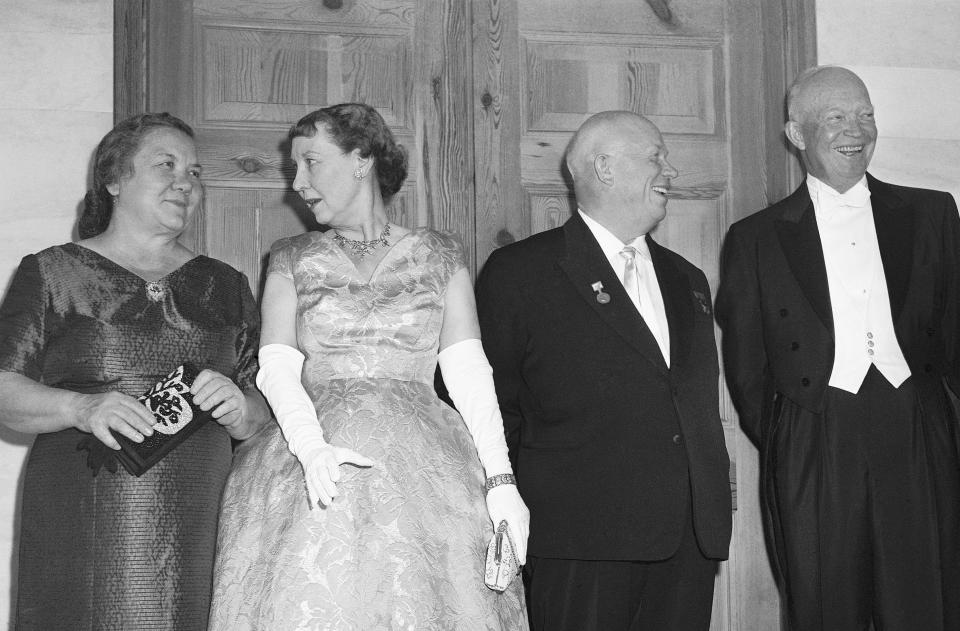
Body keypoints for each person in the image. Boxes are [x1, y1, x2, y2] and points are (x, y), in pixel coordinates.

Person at [209, 102, 529, 630]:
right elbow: (276, 366)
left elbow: (470, 372)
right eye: (295, 167)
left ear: (362, 159)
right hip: (306, 463)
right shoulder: (291, 256)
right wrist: (310, 446)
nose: (298, 182)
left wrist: (501, 481)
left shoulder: (440, 254)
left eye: (311, 162)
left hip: (429, 474)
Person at [0, 112, 269, 630]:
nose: (184, 182)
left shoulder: (226, 285)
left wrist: (241, 412)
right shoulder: (53, 272)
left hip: (200, 521)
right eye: (165, 164)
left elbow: (265, 413)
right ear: (115, 179)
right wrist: (79, 406)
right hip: (81, 515)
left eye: (194, 172)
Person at [716, 65, 960, 631]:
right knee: (826, 603)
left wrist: (942, 418)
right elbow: (747, 367)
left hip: (917, 426)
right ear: (797, 135)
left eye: (865, 114)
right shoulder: (754, 238)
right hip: (813, 432)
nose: (857, 130)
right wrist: (793, 430)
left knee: (927, 598)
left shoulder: (933, 214)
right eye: (836, 117)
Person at [476, 110, 732, 631]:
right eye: (655, 156)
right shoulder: (521, 272)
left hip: (689, 540)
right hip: (581, 539)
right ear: (605, 168)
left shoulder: (689, 280)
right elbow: (487, 407)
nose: (671, 171)